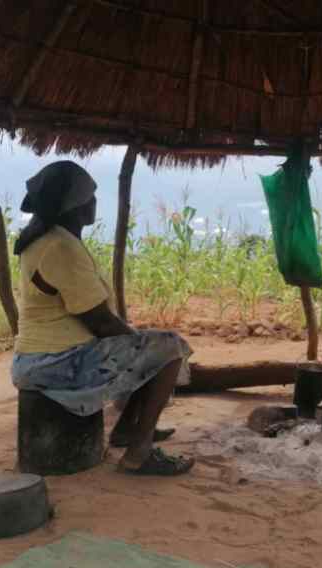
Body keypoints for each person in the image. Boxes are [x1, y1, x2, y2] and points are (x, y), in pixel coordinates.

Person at [11, 161, 194, 476]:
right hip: (57, 363)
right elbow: (102, 324)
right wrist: (142, 344)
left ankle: (125, 431)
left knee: (145, 347)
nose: (95, 202)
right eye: (90, 197)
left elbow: (102, 324)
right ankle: (139, 451)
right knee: (170, 349)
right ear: (75, 206)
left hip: (41, 358)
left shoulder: (48, 240)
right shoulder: (60, 248)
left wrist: (138, 343)